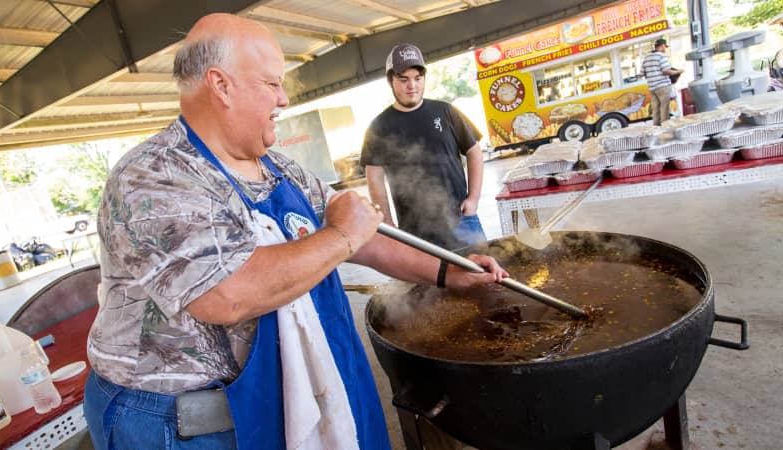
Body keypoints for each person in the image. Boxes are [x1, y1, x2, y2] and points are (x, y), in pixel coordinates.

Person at [82, 14, 508, 450]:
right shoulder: (155, 175)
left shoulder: (279, 169)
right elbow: (227, 294)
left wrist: (448, 271)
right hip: (182, 427)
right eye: (272, 83)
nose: (283, 98)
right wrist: (341, 236)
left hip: (279, 399)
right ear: (221, 84)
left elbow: (366, 235)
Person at [361, 43, 487, 251]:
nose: (412, 85)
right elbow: (374, 178)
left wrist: (473, 199)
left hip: (462, 220)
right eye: (403, 80)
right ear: (390, 81)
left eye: (418, 78)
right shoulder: (379, 127)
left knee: (483, 277)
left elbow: (474, 151)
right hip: (415, 231)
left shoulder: (446, 112)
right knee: (428, 284)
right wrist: (388, 224)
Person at [640, 38, 684, 126]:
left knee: (656, 109)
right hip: (662, 86)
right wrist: (678, 71)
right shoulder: (661, 56)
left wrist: (652, 74)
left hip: (652, 87)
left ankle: (656, 128)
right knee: (664, 108)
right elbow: (666, 71)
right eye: (665, 47)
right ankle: (666, 128)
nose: (665, 49)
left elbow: (641, 74)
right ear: (662, 46)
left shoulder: (647, 58)